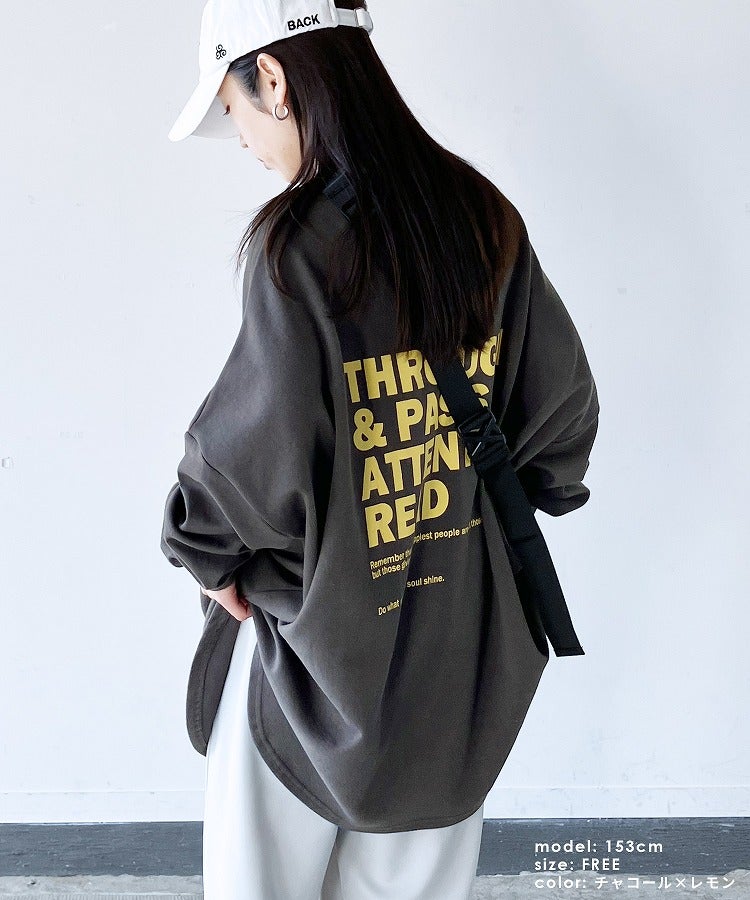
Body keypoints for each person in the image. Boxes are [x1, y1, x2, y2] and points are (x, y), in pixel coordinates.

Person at [160, 1, 600, 898]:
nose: (241, 138)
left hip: (314, 653)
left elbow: (249, 456)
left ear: (272, 78)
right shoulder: (484, 215)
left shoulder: (298, 247)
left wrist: (204, 553)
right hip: (455, 648)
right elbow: (562, 418)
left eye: (233, 109)